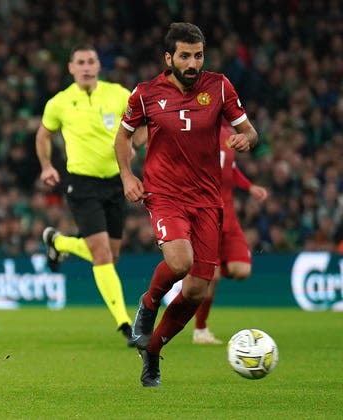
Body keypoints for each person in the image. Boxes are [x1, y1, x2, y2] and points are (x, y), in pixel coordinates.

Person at [114, 23, 258, 387]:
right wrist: (128, 177)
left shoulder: (220, 86)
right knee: (180, 262)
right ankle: (148, 304)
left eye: (198, 55)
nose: (193, 63)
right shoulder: (146, 94)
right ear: (169, 58)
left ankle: (153, 352)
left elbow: (250, 130)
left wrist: (246, 139)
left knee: (196, 290)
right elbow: (123, 137)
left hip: (208, 200)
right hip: (164, 194)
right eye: (185, 56)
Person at [35, 44, 146, 347]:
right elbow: (44, 134)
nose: (86, 66)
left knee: (113, 254)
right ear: (70, 68)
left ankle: (58, 241)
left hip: (114, 183)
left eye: (91, 61)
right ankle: (125, 324)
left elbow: (144, 121)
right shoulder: (59, 103)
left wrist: (135, 141)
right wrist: (46, 166)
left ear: (99, 66)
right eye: (80, 62)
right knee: (102, 256)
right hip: (82, 185)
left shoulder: (119, 94)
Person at [161, 121, 269, 344]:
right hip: (207, 217)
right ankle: (200, 329)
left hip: (230, 219)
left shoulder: (229, 136)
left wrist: (250, 187)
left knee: (242, 270)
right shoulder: (195, 132)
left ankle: (202, 276)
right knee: (214, 276)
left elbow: (230, 168)